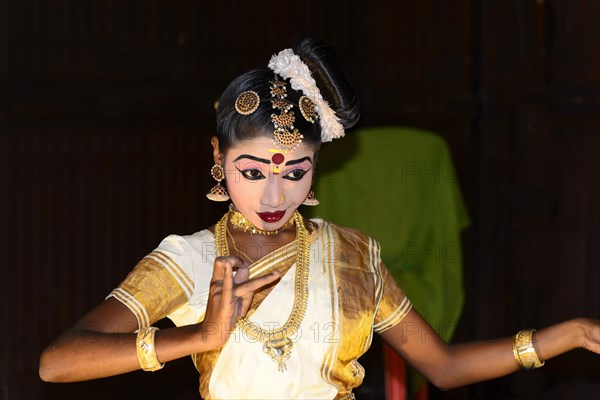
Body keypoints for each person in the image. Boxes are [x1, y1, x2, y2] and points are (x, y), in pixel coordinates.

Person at [39, 35, 600, 399]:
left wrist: (571, 333)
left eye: (296, 171)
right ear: (219, 158)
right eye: (253, 172)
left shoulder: (354, 255)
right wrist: (197, 337)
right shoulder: (191, 259)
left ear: (317, 165)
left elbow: (445, 365)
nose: (275, 194)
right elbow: (57, 362)